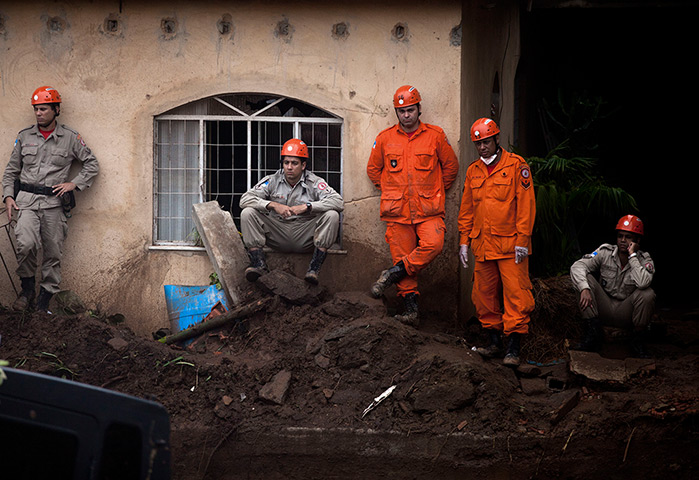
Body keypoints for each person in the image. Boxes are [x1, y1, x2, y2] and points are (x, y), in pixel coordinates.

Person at [367, 85, 459, 327]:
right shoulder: (385, 138)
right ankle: (410, 311)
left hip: (429, 210)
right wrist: (389, 191)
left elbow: (450, 167)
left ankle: (393, 273)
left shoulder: (435, 136)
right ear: (396, 113)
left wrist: (436, 190)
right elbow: (373, 170)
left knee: (434, 244)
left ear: (419, 109)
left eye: (410, 110)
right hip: (397, 213)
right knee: (402, 254)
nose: (406, 115)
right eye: (401, 111)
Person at [2, 86, 99, 313]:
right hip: (26, 201)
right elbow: (11, 171)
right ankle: (27, 291)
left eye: (44, 109)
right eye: (36, 109)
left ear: (56, 110)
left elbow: (92, 164)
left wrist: (74, 183)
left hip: (54, 205)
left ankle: (44, 302)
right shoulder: (24, 137)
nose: (38, 113)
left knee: (53, 252)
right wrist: (8, 195)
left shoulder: (71, 138)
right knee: (25, 244)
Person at [457, 118, 536, 367]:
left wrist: (523, 239)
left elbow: (526, 205)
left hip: (512, 246)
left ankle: (513, 348)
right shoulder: (473, 171)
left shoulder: (516, 165)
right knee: (482, 295)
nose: (482, 147)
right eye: (478, 143)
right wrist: (463, 241)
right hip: (483, 246)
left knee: (516, 295)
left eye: (486, 142)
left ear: (496, 139)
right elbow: (467, 208)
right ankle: (493, 342)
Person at [239, 138, 343, 285]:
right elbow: (245, 199)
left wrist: (308, 206)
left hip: (305, 234)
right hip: (277, 232)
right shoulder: (272, 180)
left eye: (294, 163)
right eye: (286, 162)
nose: (289, 167)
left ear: (303, 165)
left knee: (332, 215)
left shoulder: (314, 182)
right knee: (248, 212)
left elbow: (338, 201)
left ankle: (314, 269)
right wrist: (272, 205)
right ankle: (259, 264)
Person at [570, 214, 655, 357]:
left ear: (637, 240)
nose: (622, 240)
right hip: (604, 307)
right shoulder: (605, 252)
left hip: (626, 312)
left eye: (628, 237)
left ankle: (637, 341)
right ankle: (592, 335)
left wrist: (632, 256)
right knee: (586, 279)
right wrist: (584, 288)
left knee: (647, 293)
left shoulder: (644, 259)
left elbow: (643, 282)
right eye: (620, 236)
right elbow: (577, 266)